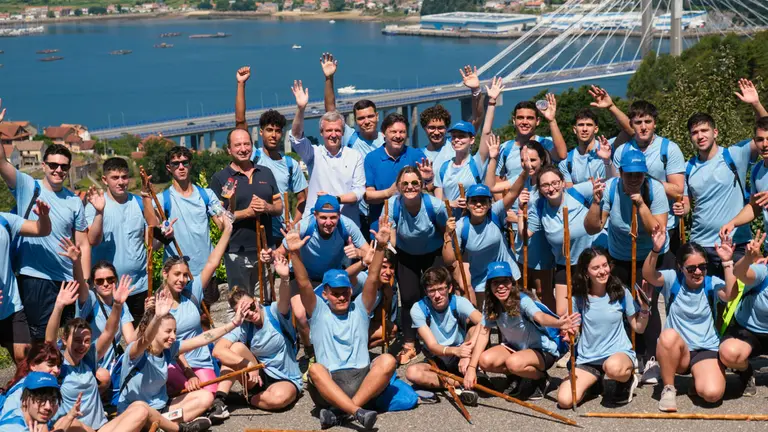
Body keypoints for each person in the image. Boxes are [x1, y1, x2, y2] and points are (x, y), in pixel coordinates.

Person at [288, 217, 397, 430]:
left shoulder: (361, 308)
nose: (341, 297)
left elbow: (373, 278)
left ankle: (342, 412)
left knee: (388, 360)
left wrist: (381, 246)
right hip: (330, 382)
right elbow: (302, 283)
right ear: (326, 293)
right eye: (335, 293)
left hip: (362, 379)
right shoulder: (317, 310)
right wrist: (294, 253)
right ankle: (357, 412)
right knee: (315, 369)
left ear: (350, 290)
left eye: (344, 292)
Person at [584, 147, 673, 384]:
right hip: (620, 254)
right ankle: (626, 355)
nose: (634, 179)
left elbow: (657, 230)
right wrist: (595, 202)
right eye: (629, 174)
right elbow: (593, 227)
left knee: (647, 303)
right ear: (620, 172)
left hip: (652, 255)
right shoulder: (612, 188)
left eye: (639, 174)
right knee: (624, 304)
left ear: (645, 174)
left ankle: (651, 358)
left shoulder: (655, 190)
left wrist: (641, 204)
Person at [0, 112, 91, 342]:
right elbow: (1, 162)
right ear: (43, 165)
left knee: (68, 339)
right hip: (34, 278)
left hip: (66, 278)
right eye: (53, 165)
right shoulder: (27, 186)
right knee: (39, 341)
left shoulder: (73, 201)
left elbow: (83, 244)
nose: (58, 170)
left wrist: (85, 285)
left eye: (63, 166)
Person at [117, 290, 249, 432]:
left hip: (162, 409)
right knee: (142, 414)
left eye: (175, 331)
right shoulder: (135, 351)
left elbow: (203, 339)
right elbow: (145, 339)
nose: (173, 336)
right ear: (154, 330)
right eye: (168, 331)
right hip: (135, 413)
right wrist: (156, 317)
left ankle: (160, 424)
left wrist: (233, 324)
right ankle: (172, 426)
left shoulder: (169, 349)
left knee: (205, 397)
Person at [261, 195, 370, 363]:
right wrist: (269, 255)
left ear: (338, 216)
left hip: (330, 278)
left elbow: (369, 254)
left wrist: (358, 253)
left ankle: (334, 347)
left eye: (333, 217)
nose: (328, 222)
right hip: (302, 277)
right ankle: (310, 352)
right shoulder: (303, 226)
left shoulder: (347, 225)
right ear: (315, 215)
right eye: (323, 217)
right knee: (301, 315)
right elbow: (280, 252)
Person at [210, 69, 282, 301]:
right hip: (235, 253)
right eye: (237, 145)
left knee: (267, 303)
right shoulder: (220, 179)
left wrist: (267, 209)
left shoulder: (266, 171)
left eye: (247, 144)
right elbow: (221, 222)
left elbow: (279, 207)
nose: (243, 148)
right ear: (229, 150)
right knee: (240, 305)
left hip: (266, 250)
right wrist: (246, 213)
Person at [644, 231, 734, 412]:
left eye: (702, 266)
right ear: (681, 267)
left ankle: (698, 380)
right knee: (667, 336)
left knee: (712, 394)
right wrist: (655, 250)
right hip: (679, 352)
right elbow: (649, 274)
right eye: (691, 268)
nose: (698, 272)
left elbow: (730, 294)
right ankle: (669, 388)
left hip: (705, 348)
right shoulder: (672, 279)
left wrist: (727, 262)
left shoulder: (711, 283)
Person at [45, 279, 150, 432]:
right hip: (75, 428)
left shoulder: (88, 359)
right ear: (64, 340)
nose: (82, 345)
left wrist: (118, 305)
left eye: (86, 341)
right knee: (75, 425)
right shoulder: (58, 364)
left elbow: (108, 332)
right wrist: (59, 306)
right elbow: (49, 341)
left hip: (102, 428)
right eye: (77, 340)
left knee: (140, 410)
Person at [465, 262, 579, 400]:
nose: (501, 286)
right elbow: (483, 333)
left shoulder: (522, 300)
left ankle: (541, 379)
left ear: (512, 283)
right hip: (515, 348)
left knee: (513, 363)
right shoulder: (490, 303)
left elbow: (540, 317)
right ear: (489, 286)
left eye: (505, 281)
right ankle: (517, 377)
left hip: (542, 350)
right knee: (484, 361)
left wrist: (559, 323)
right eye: (495, 282)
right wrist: (472, 367)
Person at [157, 216, 233, 421]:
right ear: (165, 274)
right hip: (173, 363)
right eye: (177, 274)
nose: (182, 279)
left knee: (206, 394)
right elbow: (168, 347)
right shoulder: (157, 305)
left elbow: (213, 262)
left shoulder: (192, 291)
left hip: (200, 360)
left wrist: (227, 229)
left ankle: (175, 414)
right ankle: (171, 415)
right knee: (187, 389)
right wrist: (188, 373)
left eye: (185, 275)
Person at [556, 247, 650, 409]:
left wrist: (645, 309)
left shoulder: (621, 292)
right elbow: (576, 329)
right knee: (565, 401)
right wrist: (570, 335)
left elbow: (638, 328)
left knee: (612, 367)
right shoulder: (578, 298)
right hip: (588, 359)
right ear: (586, 272)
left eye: (605, 265)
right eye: (596, 268)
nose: (602, 271)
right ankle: (595, 382)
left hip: (617, 355)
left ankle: (627, 380)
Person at [212, 253, 301, 411]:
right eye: (245, 313)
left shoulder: (273, 312)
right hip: (257, 375)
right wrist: (249, 365)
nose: (250, 314)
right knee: (235, 348)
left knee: (279, 399)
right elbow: (218, 351)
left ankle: (245, 399)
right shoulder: (244, 325)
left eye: (251, 307)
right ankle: (220, 399)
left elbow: (284, 300)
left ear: (256, 301)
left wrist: (285, 278)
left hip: (285, 377)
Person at [231, 65, 306, 246]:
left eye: (278, 131)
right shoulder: (253, 157)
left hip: (282, 235)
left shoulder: (290, 164)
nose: (273, 135)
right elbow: (240, 122)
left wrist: (295, 224)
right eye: (269, 130)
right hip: (254, 230)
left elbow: (302, 199)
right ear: (261, 132)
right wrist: (241, 84)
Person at [142, 146, 225, 308]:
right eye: (176, 164)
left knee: (206, 323)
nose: (181, 167)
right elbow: (151, 239)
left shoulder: (207, 195)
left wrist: (231, 203)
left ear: (190, 165)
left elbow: (222, 226)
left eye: (184, 163)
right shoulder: (162, 200)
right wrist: (163, 234)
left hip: (206, 272)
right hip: (176, 275)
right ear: (169, 168)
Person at [522, 162, 608, 313]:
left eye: (555, 183)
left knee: (593, 309)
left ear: (562, 183)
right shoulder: (539, 206)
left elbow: (610, 184)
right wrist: (520, 214)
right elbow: (525, 234)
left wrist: (606, 163)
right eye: (545, 185)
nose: (551, 188)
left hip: (594, 262)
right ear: (540, 189)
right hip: (565, 263)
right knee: (563, 313)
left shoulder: (578, 192)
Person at [677, 112, 755, 278]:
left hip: (737, 243)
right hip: (700, 245)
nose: (700, 136)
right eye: (694, 133)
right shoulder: (688, 168)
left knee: (739, 299)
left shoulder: (734, 155)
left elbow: (764, 135)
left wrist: (755, 104)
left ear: (715, 132)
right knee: (707, 300)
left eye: (704, 130)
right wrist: (681, 208)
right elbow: (686, 205)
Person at [384, 166, 449, 364]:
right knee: (409, 297)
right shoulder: (392, 205)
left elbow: (445, 230)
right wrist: (384, 245)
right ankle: (410, 342)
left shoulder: (435, 206)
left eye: (414, 183)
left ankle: (439, 336)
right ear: (398, 186)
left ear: (421, 185)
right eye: (405, 183)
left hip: (433, 252)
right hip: (407, 253)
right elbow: (393, 241)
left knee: (436, 293)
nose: (410, 187)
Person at [607, 97, 685, 256]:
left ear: (655, 123)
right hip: (629, 229)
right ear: (630, 125)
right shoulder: (622, 151)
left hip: (664, 227)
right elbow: (615, 186)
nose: (643, 127)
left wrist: (644, 180)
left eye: (648, 121)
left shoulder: (669, 149)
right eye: (638, 122)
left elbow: (678, 191)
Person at [404, 266, 484, 406]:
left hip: (461, 352)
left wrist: (466, 354)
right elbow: (433, 346)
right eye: (431, 291)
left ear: (450, 288)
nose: (437, 295)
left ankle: (460, 377)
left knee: (475, 330)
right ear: (426, 292)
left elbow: (483, 322)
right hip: (438, 356)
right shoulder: (418, 309)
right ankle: (462, 382)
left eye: (441, 289)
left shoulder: (459, 302)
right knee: (412, 372)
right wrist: (454, 351)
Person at [488, 140, 555, 303]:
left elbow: (540, 217)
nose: (528, 165)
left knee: (542, 292)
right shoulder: (522, 179)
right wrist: (493, 159)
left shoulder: (546, 183)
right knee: (521, 290)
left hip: (540, 245)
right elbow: (491, 186)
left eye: (533, 160)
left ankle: (551, 326)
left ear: (542, 160)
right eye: (524, 160)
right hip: (521, 245)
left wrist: (516, 216)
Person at [85, 157, 149, 327]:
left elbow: (150, 243)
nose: (121, 182)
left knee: (141, 335)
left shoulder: (138, 203)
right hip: (107, 288)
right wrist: (100, 213)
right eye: (115, 178)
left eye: (124, 177)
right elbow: (92, 240)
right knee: (108, 336)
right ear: (105, 180)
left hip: (138, 286)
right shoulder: (96, 205)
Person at [290, 80, 365, 224]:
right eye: (329, 130)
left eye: (337, 130)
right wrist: (300, 109)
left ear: (343, 132)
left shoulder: (354, 156)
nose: (333, 134)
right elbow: (296, 137)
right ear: (321, 133)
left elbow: (359, 191)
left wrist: (334, 199)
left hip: (346, 224)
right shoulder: (313, 154)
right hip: (315, 224)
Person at [443, 182, 521, 308]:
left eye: (483, 201)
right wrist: (447, 235)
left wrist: (526, 170)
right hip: (481, 280)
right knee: (488, 316)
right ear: (467, 205)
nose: (479, 204)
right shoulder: (461, 226)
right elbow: (449, 260)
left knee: (512, 313)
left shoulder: (494, 213)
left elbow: (513, 193)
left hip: (507, 274)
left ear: (490, 204)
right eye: (474, 201)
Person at [0, 200, 51, 363]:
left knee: (24, 358)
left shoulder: (5, 221)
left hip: (11, 307)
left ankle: (22, 388)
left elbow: (41, 229)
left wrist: (44, 217)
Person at [75, 261, 137, 395]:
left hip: (112, 364)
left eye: (110, 279)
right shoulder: (91, 299)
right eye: (99, 281)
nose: (105, 283)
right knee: (103, 376)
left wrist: (148, 316)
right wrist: (76, 261)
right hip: (90, 363)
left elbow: (131, 339)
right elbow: (81, 287)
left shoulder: (121, 303)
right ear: (93, 284)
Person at [486, 92, 568, 190]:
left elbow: (562, 155)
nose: (524, 122)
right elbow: (497, 183)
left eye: (530, 118)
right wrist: (507, 205)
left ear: (537, 121)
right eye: (520, 118)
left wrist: (552, 120)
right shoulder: (504, 148)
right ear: (514, 120)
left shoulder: (546, 143)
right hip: (515, 204)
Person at [364, 112, 430, 233]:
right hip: (382, 228)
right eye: (393, 132)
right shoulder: (371, 158)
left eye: (402, 132)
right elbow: (368, 196)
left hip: (413, 229)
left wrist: (427, 180)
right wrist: (389, 192)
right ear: (384, 133)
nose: (398, 136)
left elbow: (429, 191)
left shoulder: (417, 155)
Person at [721, 230, 768, 397]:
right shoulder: (763, 271)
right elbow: (740, 273)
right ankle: (746, 372)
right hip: (750, 330)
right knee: (729, 352)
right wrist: (748, 259)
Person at [720, 117, 768, 246]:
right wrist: (733, 223)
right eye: (760, 139)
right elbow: (754, 206)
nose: (764, 144)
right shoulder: (757, 170)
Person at [434, 119, 492, 216]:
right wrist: (452, 204)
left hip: (473, 222)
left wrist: (491, 104)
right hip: (450, 224)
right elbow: (438, 203)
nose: (457, 140)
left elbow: (486, 132)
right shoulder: (443, 168)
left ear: (472, 140)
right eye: (454, 136)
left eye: (461, 136)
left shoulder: (477, 163)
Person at [0, 342, 62, 418]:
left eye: (58, 366)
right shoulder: (21, 391)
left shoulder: (39, 385)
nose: (56, 370)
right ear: (33, 365)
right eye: (50, 364)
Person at [0, 372, 76, 432]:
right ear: (24, 400)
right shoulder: (13, 428)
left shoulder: (25, 415)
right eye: (40, 400)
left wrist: (71, 416)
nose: (48, 407)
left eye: (53, 400)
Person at [558, 109, 617, 186]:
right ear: (574, 129)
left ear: (596, 129)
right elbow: (570, 194)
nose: (584, 129)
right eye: (581, 125)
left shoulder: (610, 147)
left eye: (589, 125)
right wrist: (587, 188)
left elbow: (630, 132)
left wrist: (611, 106)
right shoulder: (566, 162)